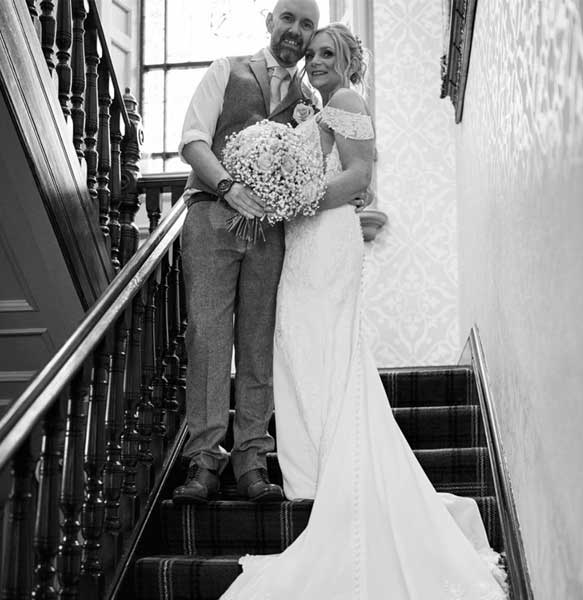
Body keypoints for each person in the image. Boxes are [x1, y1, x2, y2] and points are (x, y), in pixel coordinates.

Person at [220, 23, 508, 599]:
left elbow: (358, 176)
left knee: (326, 349)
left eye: (330, 53)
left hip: (327, 243)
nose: (318, 60)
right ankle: (316, 471)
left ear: (349, 61)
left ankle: (337, 479)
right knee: (298, 349)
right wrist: (280, 193)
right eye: (314, 54)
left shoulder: (347, 101)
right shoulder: (311, 114)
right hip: (301, 244)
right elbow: (332, 175)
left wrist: (292, 198)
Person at [173, 0, 366, 505]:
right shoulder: (226, 69)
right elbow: (192, 140)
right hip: (212, 214)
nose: (297, 32)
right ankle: (204, 460)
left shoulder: (314, 98)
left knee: (260, 341)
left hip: (273, 232)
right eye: (289, 20)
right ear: (270, 22)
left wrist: (341, 190)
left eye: (307, 25)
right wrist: (228, 184)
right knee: (209, 336)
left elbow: (341, 159)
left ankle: (253, 460)